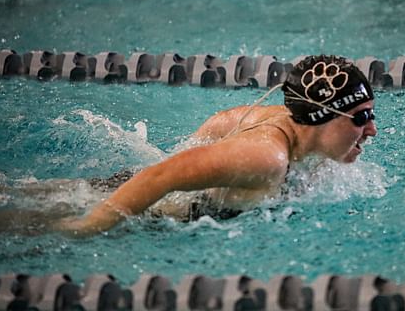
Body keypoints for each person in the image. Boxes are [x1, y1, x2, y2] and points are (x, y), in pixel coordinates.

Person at [56, 55, 378, 237]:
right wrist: (89, 227)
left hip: (130, 185)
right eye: (361, 117)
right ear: (323, 116)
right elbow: (161, 176)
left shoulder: (290, 122)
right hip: (143, 211)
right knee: (31, 220)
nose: (372, 129)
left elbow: (221, 121)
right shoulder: (266, 157)